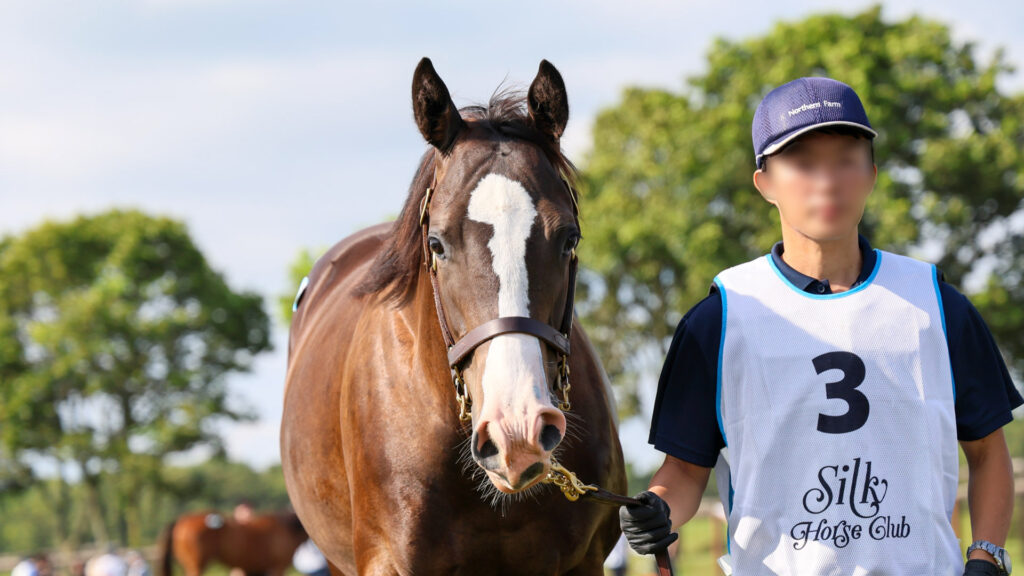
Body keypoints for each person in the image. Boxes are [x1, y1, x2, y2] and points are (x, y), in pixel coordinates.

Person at [619, 76, 1022, 575]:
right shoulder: (720, 318)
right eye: (804, 163)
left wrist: (987, 556)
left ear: (871, 174)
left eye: (845, 160)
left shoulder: (937, 304)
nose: (827, 182)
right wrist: (656, 509)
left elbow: (987, 452)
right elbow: (683, 470)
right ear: (765, 183)